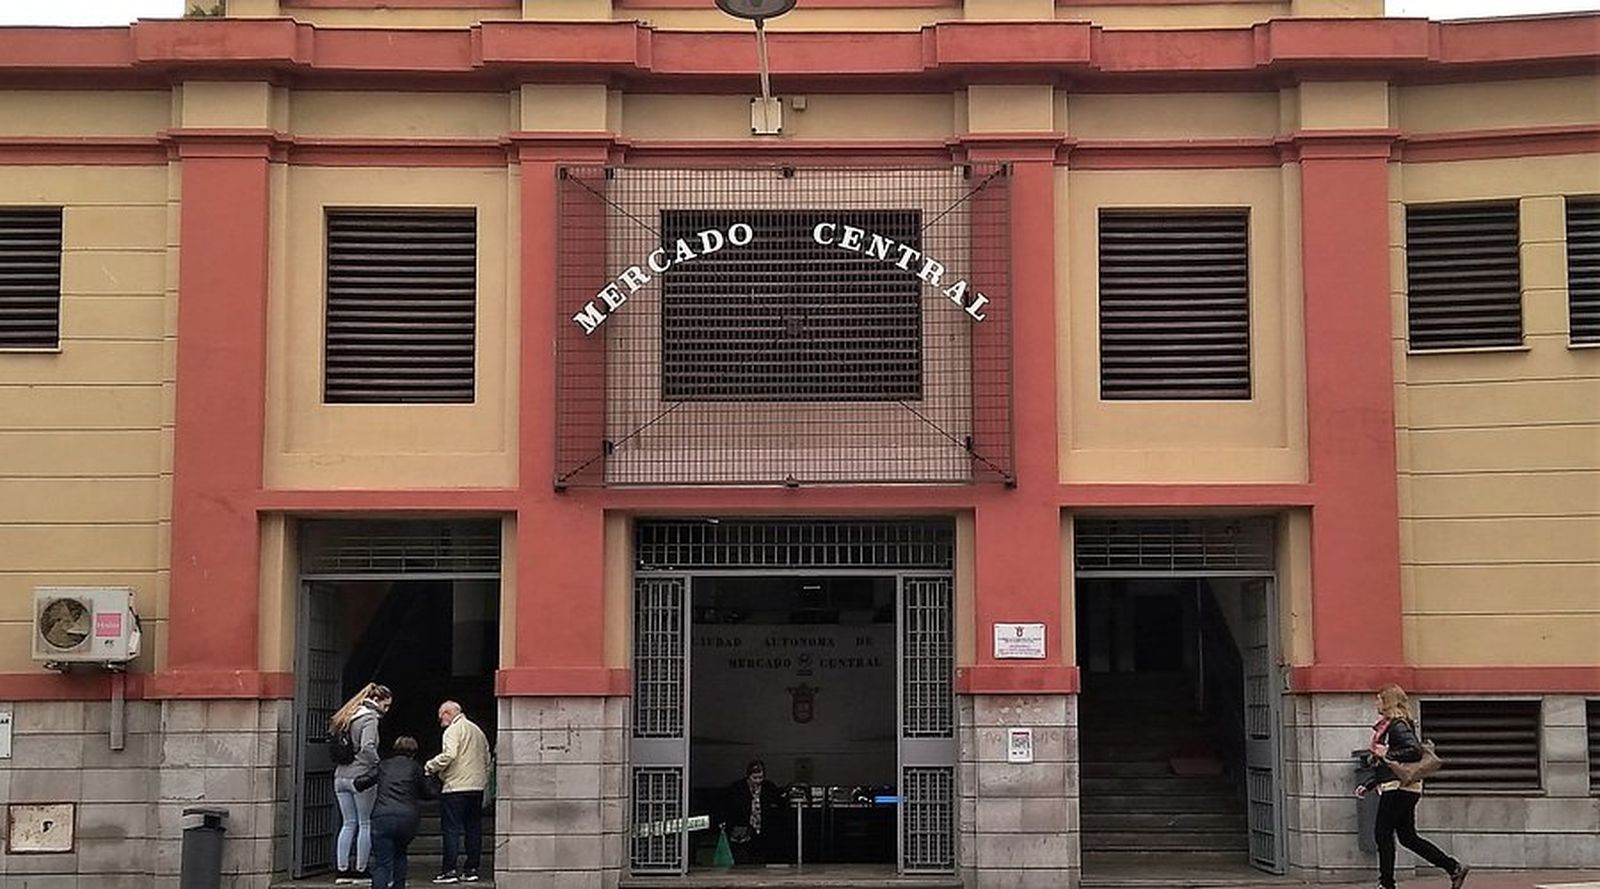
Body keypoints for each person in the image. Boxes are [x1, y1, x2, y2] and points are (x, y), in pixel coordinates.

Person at [1355, 684, 1469, 889]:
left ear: (1388, 702)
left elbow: (1413, 751)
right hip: (1403, 787)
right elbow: (1389, 765)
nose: (1376, 703)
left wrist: (1387, 753)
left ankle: (1386, 884)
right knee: (1408, 837)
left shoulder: (1397, 726)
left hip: (1398, 788)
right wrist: (1370, 783)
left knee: (1383, 833)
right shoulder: (1392, 726)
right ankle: (1453, 867)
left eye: (1379, 699)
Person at [330, 682, 392, 884]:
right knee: (365, 823)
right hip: (360, 776)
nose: (386, 710)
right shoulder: (370, 718)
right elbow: (367, 746)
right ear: (376, 700)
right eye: (386, 705)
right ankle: (360, 869)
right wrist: (379, 764)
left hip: (340, 775)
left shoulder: (348, 714)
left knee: (348, 823)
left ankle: (342, 870)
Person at [355, 735, 437, 889]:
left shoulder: (384, 765)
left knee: (382, 863)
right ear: (414, 752)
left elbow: (360, 783)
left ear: (395, 749)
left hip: (383, 817)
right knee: (400, 853)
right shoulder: (416, 768)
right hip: (407, 818)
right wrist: (429, 778)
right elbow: (429, 793)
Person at [425, 700, 491, 884]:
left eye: (441, 717)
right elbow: (486, 758)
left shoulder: (452, 730)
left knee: (451, 829)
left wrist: (431, 766)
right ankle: (471, 869)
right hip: (476, 787)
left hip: (455, 787)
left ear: (447, 713)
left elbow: (449, 755)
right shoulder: (477, 730)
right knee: (473, 828)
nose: (440, 722)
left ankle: (450, 870)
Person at [717, 760, 785, 866]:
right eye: (755, 778)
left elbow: (778, 804)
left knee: (761, 857)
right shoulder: (737, 788)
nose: (758, 781)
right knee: (742, 859)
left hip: (763, 830)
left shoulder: (769, 787)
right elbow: (728, 807)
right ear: (748, 776)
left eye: (760, 778)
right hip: (742, 829)